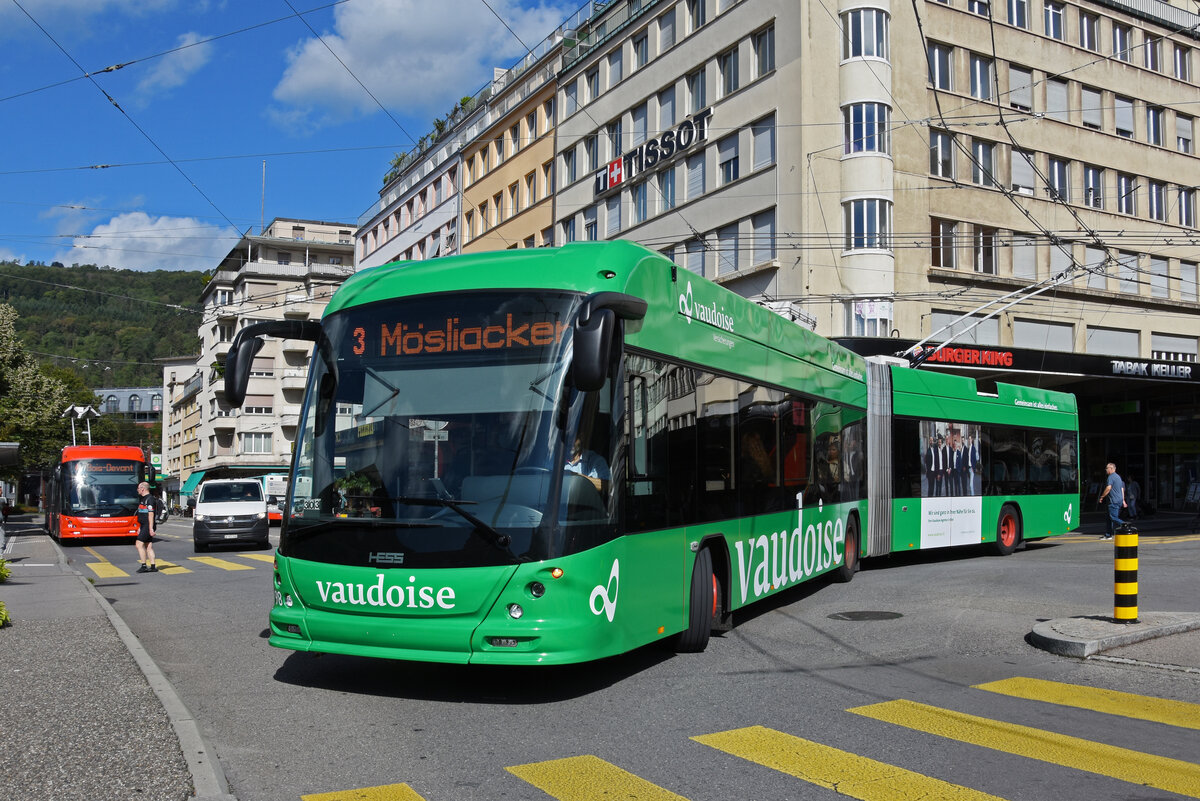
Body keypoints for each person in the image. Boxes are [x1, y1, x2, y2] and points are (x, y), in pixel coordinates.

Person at [1097, 462, 1126, 540]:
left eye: (1107, 468)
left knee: (1113, 517)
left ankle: (1125, 525)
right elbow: (1121, 489)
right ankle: (1108, 534)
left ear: (1111, 469)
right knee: (1108, 518)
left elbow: (1108, 488)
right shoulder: (1118, 477)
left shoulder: (1111, 477)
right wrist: (1123, 500)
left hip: (1114, 501)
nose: (1106, 470)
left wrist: (1102, 496)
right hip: (1118, 500)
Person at [135, 481, 158, 572]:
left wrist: (150, 528)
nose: (137, 490)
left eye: (138, 488)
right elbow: (142, 515)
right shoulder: (143, 499)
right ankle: (153, 566)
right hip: (144, 525)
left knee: (139, 544)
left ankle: (144, 566)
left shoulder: (150, 499)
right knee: (148, 546)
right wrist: (140, 527)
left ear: (142, 489)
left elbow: (151, 514)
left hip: (148, 526)